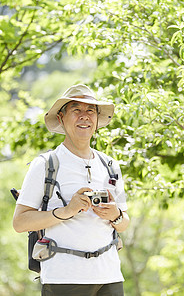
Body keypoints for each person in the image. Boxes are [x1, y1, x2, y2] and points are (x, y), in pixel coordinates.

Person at [13, 84, 130, 296]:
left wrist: (116, 215)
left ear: (96, 121)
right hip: (63, 278)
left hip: (110, 276)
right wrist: (67, 211)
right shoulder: (46, 164)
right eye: (76, 110)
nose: (84, 116)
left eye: (90, 111)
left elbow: (124, 223)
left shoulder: (110, 165)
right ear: (61, 118)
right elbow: (20, 222)